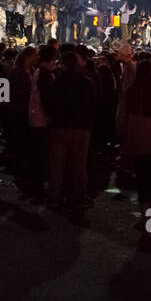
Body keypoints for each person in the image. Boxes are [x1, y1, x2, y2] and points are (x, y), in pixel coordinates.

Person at [118, 60, 151, 218]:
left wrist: (123, 136)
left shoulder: (130, 91)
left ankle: (145, 218)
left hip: (137, 141)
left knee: (142, 181)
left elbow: (121, 118)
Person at [44, 50, 96, 207]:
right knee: (79, 164)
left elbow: (49, 102)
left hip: (60, 126)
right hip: (80, 127)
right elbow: (92, 104)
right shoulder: (86, 82)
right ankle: (79, 196)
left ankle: (55, 195)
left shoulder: (57, 82)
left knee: (57, 164)